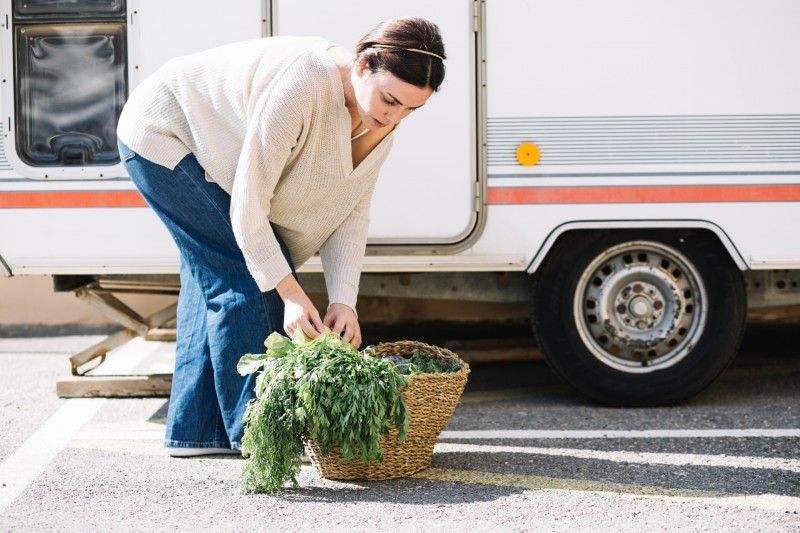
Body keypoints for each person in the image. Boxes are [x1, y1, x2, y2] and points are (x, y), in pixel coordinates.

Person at [116, 17, 446, 457]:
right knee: (250, 278)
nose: (396, 116)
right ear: (364, 64)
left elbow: (352, 208)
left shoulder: (380, 121)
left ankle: (193, 433)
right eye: (391, 101)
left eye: (411, 109)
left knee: (218, 270)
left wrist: (343, 299)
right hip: (163, 131)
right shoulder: (303, 84)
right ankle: (258, 438)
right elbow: (250, 206)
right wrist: (289, 291)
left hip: (207, 154)